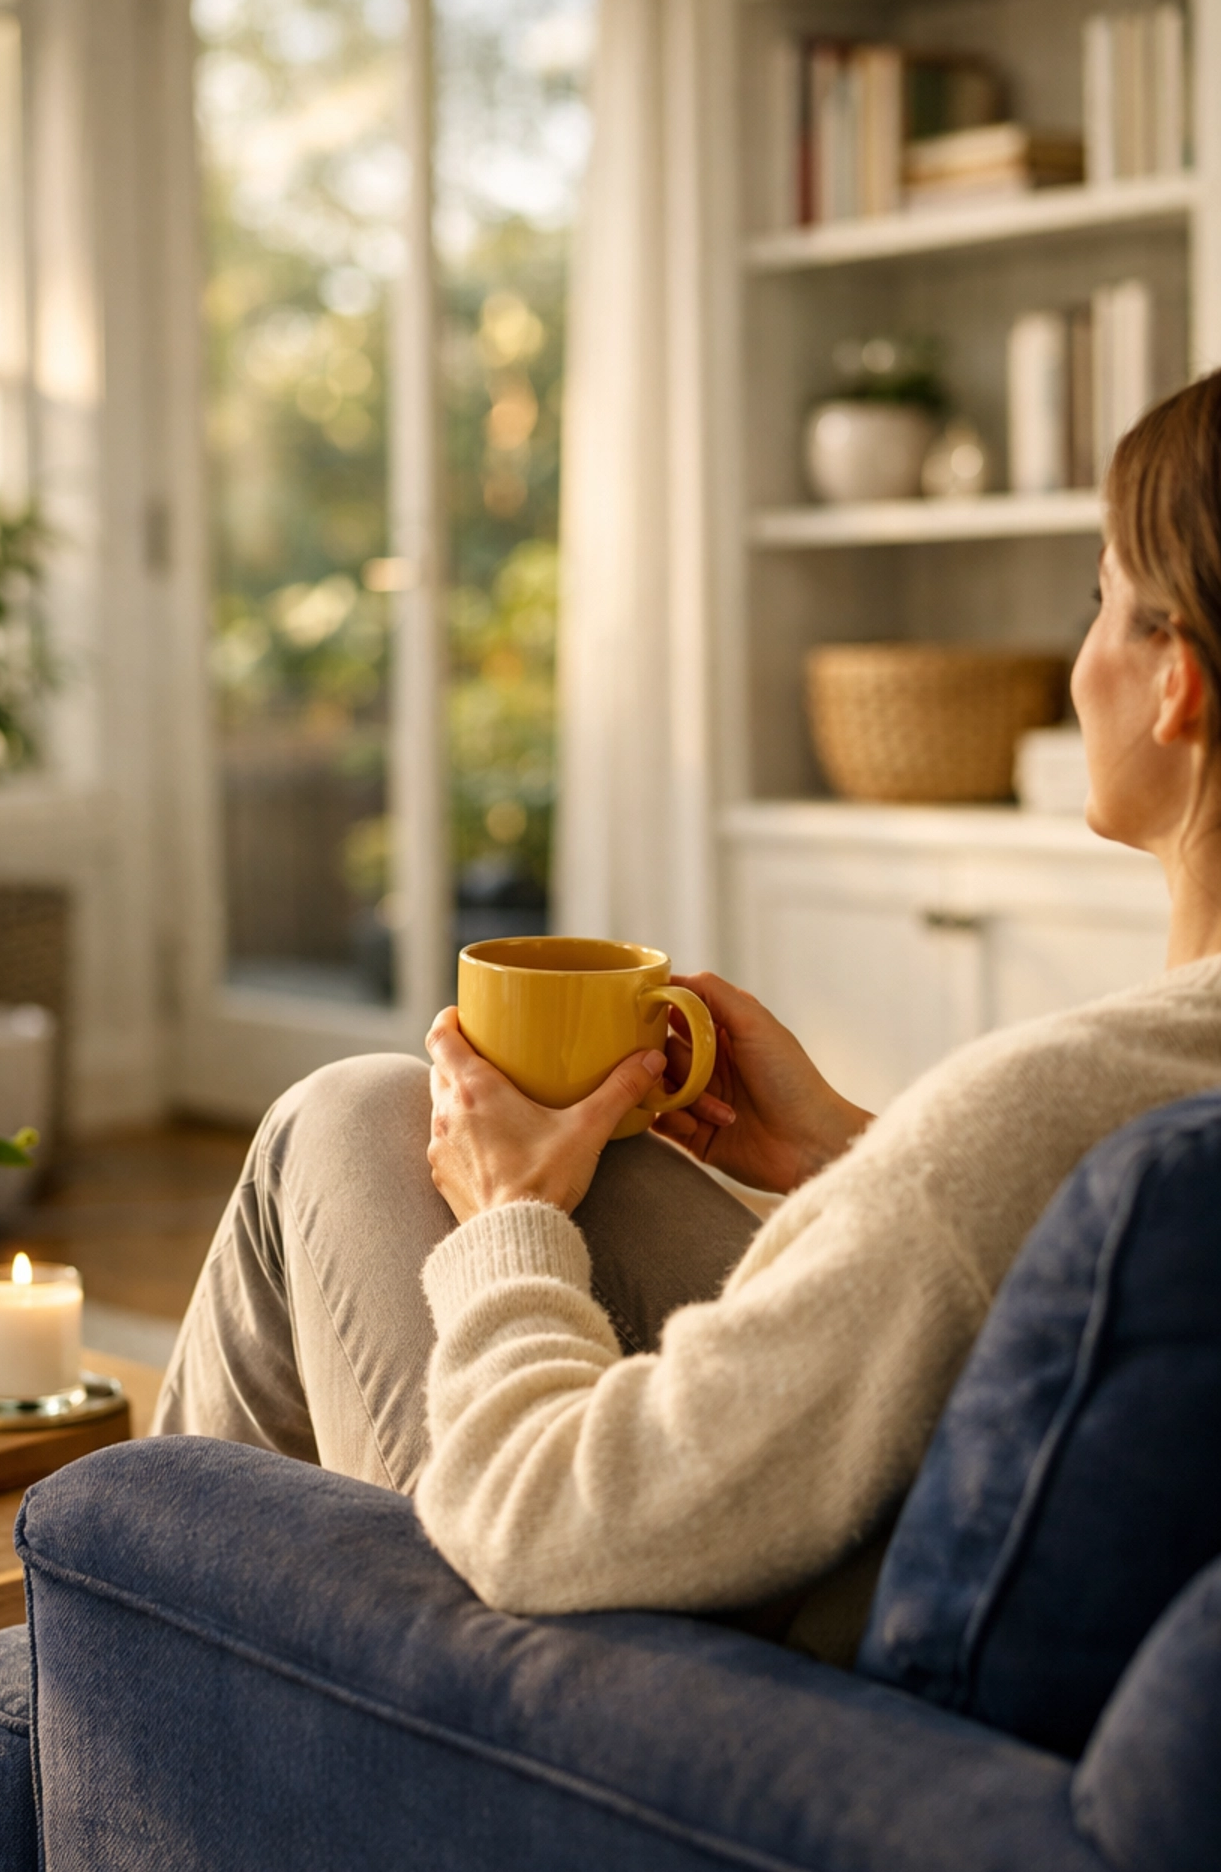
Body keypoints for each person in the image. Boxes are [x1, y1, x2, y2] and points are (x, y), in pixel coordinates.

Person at [155, 375, 1221, 1663]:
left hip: (722, 1677)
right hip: (885, 1512)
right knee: (397, 1108)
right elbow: (1059, 1294)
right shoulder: (1137, 1092)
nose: (1080, 663)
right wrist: (847, 1155)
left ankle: (134, 1635)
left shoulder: (1031, 1114)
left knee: (335, 1122)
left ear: (1176, 682)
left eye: (1098, 602)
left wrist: (509, 1224)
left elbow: (538, 1522)